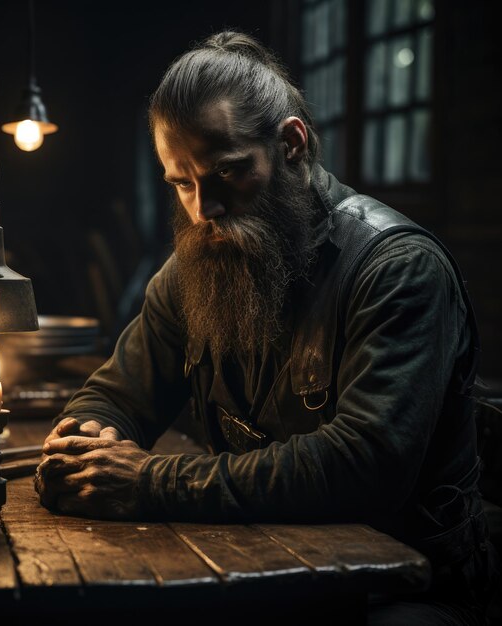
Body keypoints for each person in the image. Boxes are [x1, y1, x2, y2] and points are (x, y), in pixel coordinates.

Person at [35, 31, 498, 623]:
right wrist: (84, 445)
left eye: (227, 173)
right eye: (182, 183)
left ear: (292, 146)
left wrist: (151, 482)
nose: (204, 210)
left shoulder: (399, 271)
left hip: (407, 588)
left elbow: (363, 467)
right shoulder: (199, 261)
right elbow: (116, 393)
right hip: (266, 565)